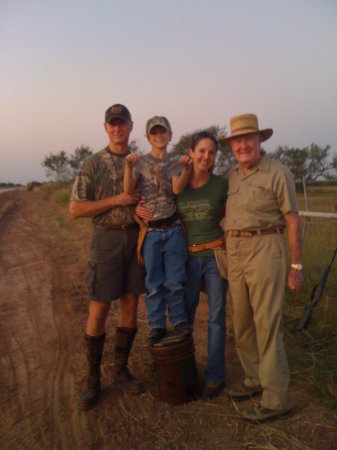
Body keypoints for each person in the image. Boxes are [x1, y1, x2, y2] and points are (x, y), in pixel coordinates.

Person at [219, 113, 303, 422]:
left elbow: (293, 220)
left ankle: (276, 398)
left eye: (247, 139)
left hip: (266, 249)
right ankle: (255, 379)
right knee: (242, 322)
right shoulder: (232, 177)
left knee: (267, 325)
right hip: (235, 253)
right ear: (232, 146)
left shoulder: (278, 173)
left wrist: (296, 265)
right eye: (236, 141)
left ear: (259, 140)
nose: (242, 145)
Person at [69, 104, 146, 411]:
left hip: (134, 239)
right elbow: (75, 209)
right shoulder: (93, 163)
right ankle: (92, 380)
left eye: (122, 123)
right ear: (106, 128)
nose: (117, 128)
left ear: (130, 126)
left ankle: (121, 370)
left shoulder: (138, 164)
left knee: (130, 304)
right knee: (99, 309)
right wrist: (119, 199)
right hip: (106, 239)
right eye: (112, 124)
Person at [124, 116, 192, 346]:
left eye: (163, 132)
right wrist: (128, 166)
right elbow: (127, 189)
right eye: (154, 133)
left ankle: (180, 321)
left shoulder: (175, 163)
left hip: (173, 230)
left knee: (175, 281)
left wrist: (187, 168)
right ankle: (156, 325)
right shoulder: (140, 163)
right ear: (148, 137)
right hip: (151, 233)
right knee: (153, 283)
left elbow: (177, 189)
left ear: (170, 135)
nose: (159, 136)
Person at [176, 131, 228, 399]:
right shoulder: (179, 184)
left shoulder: (221, 184)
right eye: (202, 151)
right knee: (185, 316)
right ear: (191, 152)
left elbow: (227, 214)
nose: (206, 156)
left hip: (216, 256)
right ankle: (184, 372)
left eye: (211, 152)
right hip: (188, 258)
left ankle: (215, 376)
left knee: (217, 318)